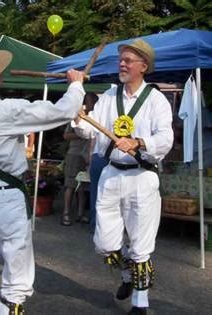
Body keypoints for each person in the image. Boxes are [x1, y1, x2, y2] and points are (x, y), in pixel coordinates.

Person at [0, 40, 85, 315]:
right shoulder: (5, 110)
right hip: (7, 199)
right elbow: (62, 112)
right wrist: (76, 84)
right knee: (15, 281)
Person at [73, 39, 173, 314]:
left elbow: (166, 138)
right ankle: (128, 275)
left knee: (141, 245)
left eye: (129, 60)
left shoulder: (156, 100)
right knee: (104, 244)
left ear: (144, 66)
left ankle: (140, 302)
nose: (122, 63)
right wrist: (78, 116)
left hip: (142, 177)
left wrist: (138, 142)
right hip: (110, 176)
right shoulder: (108, 96)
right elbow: (89, 130)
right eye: (121, 59)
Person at [61, 122, 90, 226]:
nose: (92, 105)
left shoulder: (96, 116)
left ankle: (80, 214)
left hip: (87, 156)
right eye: (90, 103)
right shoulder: (75, 120)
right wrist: (83, 134)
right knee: (70, 185)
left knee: (83, 185)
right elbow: (66, 135)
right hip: (74, 154)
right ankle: (66, 213)